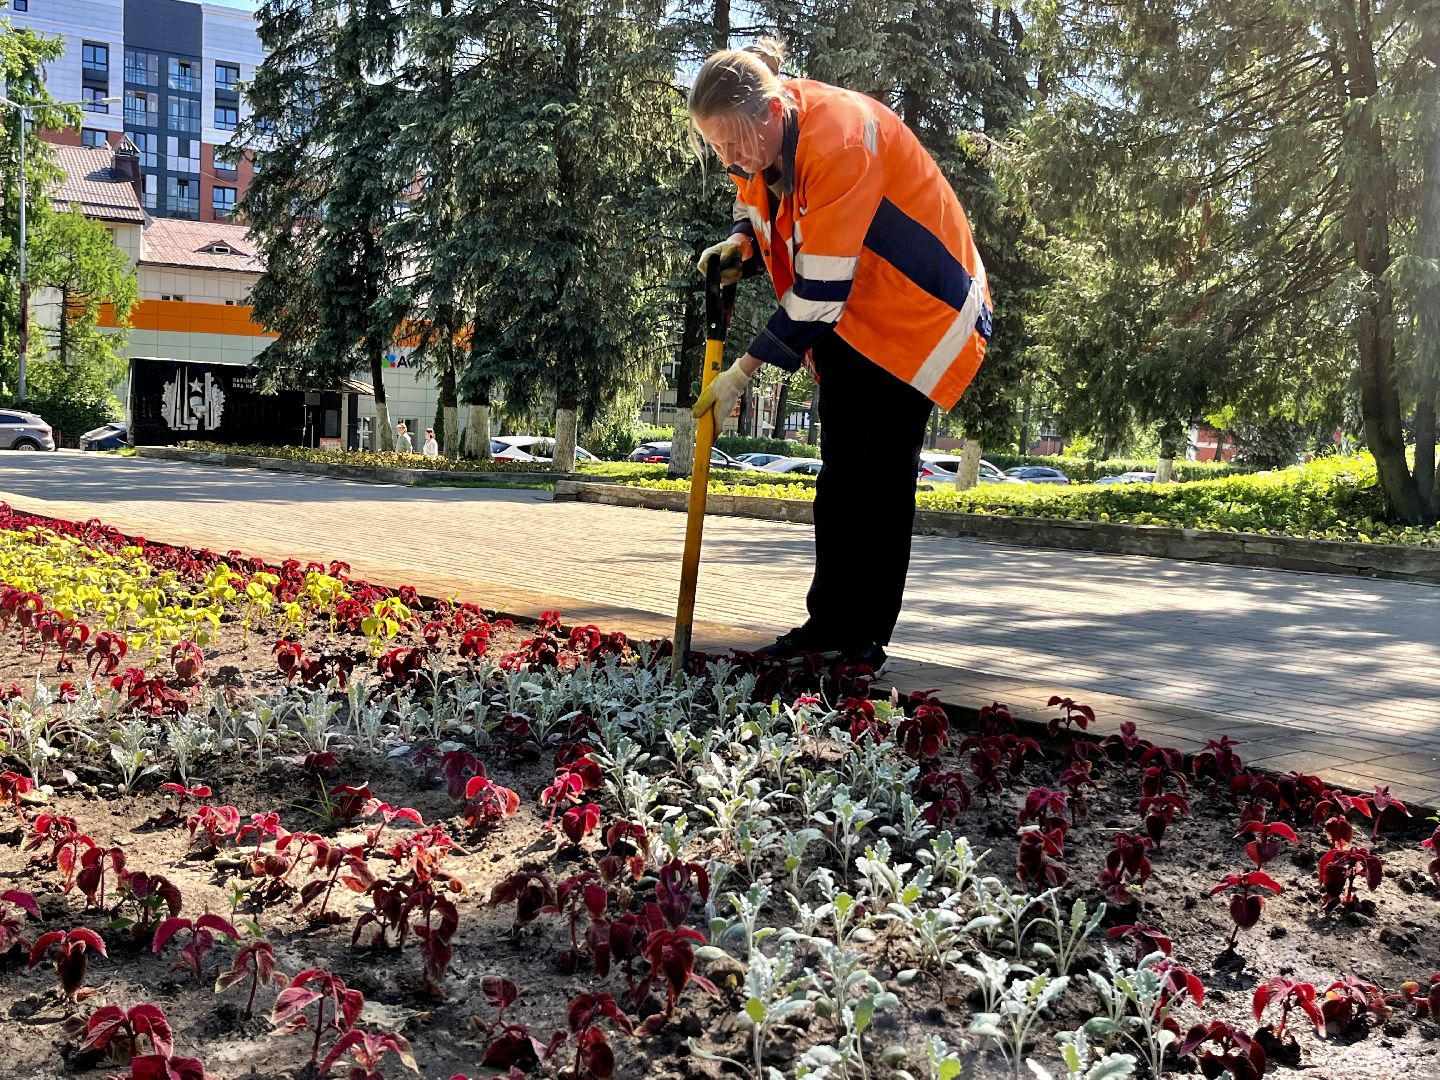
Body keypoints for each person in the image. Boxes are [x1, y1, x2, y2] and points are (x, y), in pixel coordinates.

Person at [688, 40, 992, 671]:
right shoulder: (763, 135)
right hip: (857, 316)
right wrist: (740, 243)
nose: (729, 160)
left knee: (880, 482)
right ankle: (827, 624)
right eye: (716, 147)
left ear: (772, 111)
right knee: (839, 479)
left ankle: (864, 641)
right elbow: (758, 197)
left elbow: (820, 292)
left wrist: (741, 374)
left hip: (916, 314)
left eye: (733, 144)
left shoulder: (841, 141)